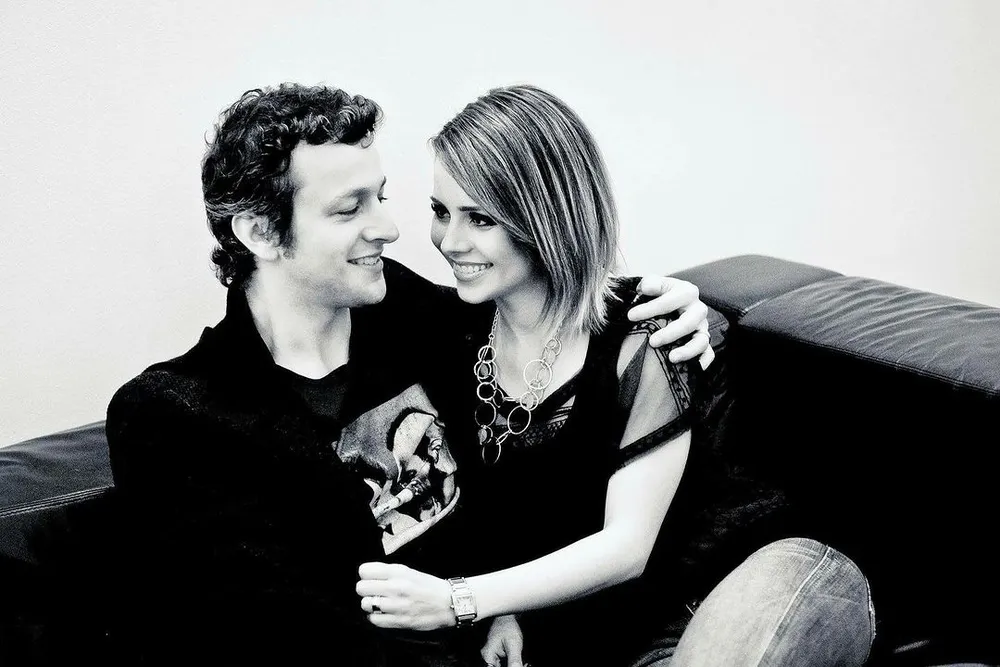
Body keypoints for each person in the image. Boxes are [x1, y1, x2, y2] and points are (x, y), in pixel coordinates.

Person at [98, 83, 713, 665]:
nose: (390, 230)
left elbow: (546, 300)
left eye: (382, 198)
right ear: (260, 232)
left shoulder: (411, 316)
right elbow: (267, 628)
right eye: (349, 209)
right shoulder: (175, 414)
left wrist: (668, 303)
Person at [354, 85, 876, 666]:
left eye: (480, 218)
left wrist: (462, 601)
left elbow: (626, 547)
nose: (450, 242)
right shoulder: (450, 332)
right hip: (627, 635)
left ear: (546, 218)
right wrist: (508, 609)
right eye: (441, 212)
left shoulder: (646, 337)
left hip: (765, 578)